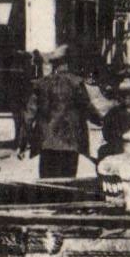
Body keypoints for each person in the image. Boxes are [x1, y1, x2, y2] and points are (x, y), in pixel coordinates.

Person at [19, 46, 105, 178]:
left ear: (53, 64)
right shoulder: (76, 83)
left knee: (47, 184)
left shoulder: (41, 84)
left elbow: (28, 116)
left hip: (46, 143)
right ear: (69, 62)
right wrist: (101, 121)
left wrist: (23, 143)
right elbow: (86, 107)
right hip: (70, 143)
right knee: (67, 182)